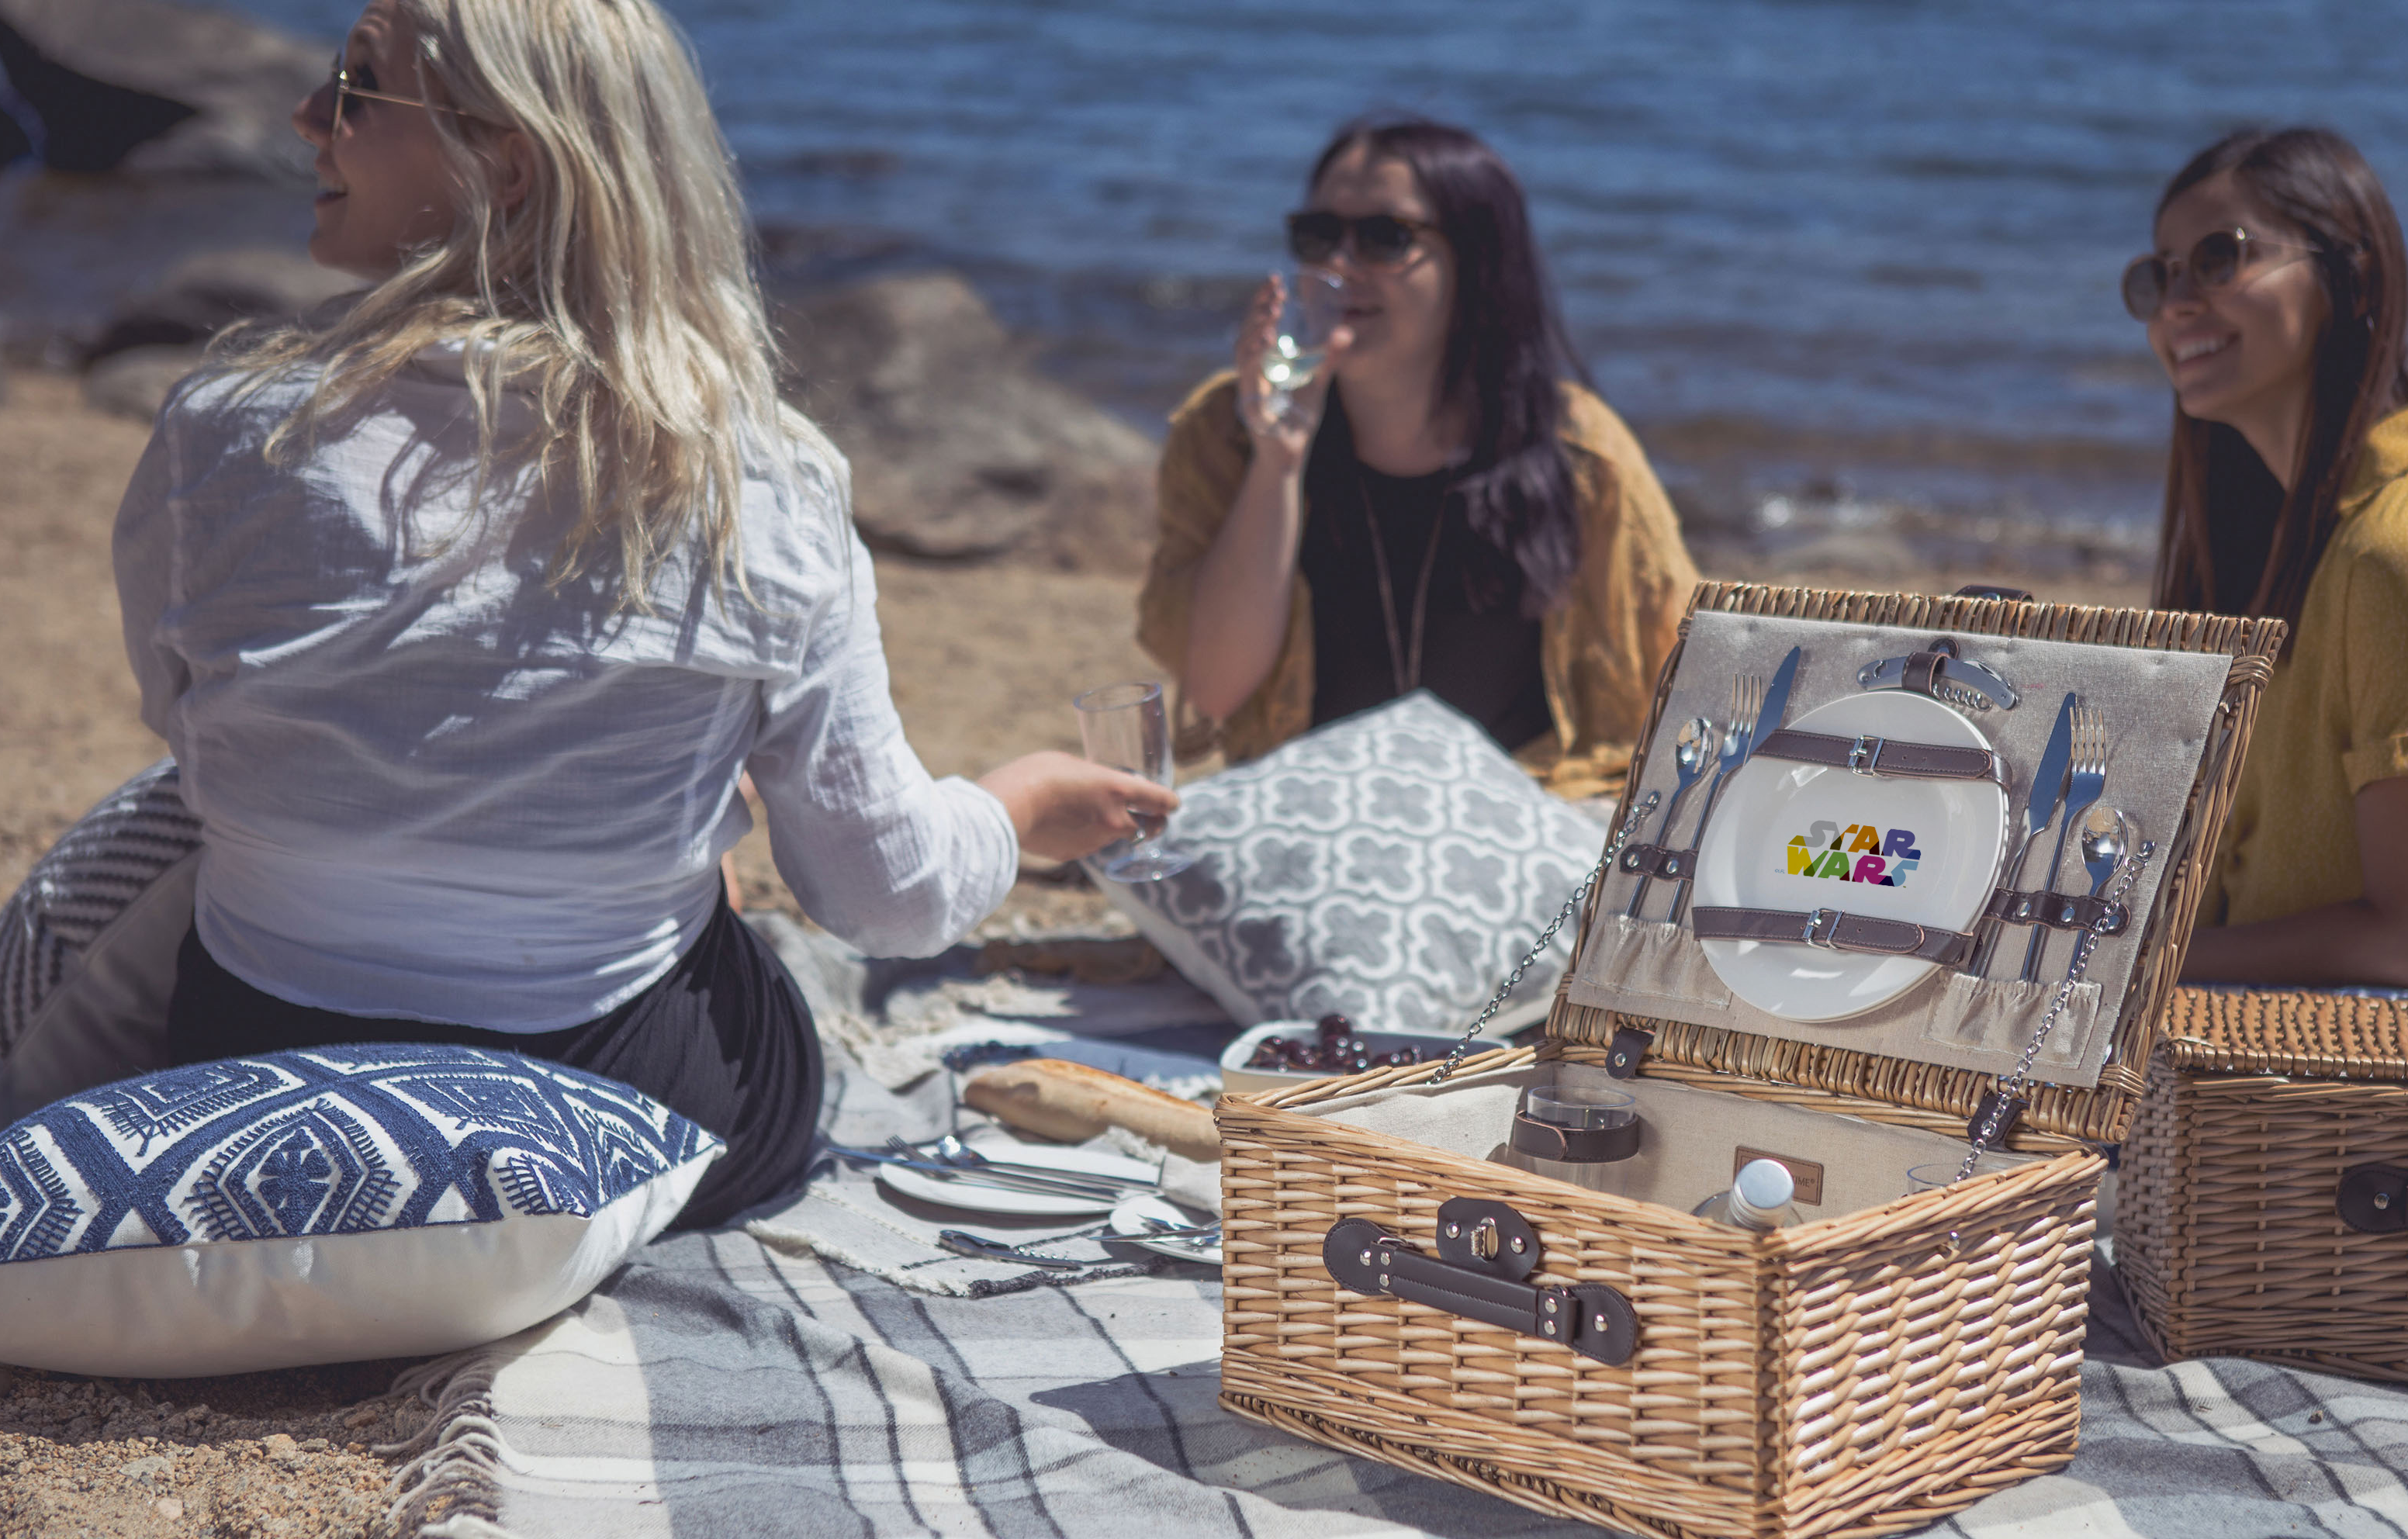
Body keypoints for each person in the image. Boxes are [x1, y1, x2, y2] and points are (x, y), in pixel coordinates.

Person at [114, 0, 1171, 1228]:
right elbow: (883, 899)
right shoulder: (756, 481)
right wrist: (1016, 806)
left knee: (656, 834)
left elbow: (195, 732)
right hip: (606, 1105)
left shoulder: (224, 431)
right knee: (705, 889)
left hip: (248, 1077)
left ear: (504, 156)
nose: (307, 117)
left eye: (355, 89)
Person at [1137, 116, 1697, 799]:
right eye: (1319, 237)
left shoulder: (1577, 451)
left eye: (1383, 237)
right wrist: (1277, 464)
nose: (1340, 266)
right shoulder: (1227, 432)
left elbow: (1681, 674)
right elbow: (1215, 688)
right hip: (1315, 811)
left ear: (1477, 261)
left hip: (1520, 814)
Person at [2130, 127, 2408, 997]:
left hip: (2407, 1068)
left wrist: (2133, 967)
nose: (2176, 304)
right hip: (2281, 1032)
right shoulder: (2289, 535)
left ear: (2347, 275)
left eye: (2219, 258)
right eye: (2158, 276)